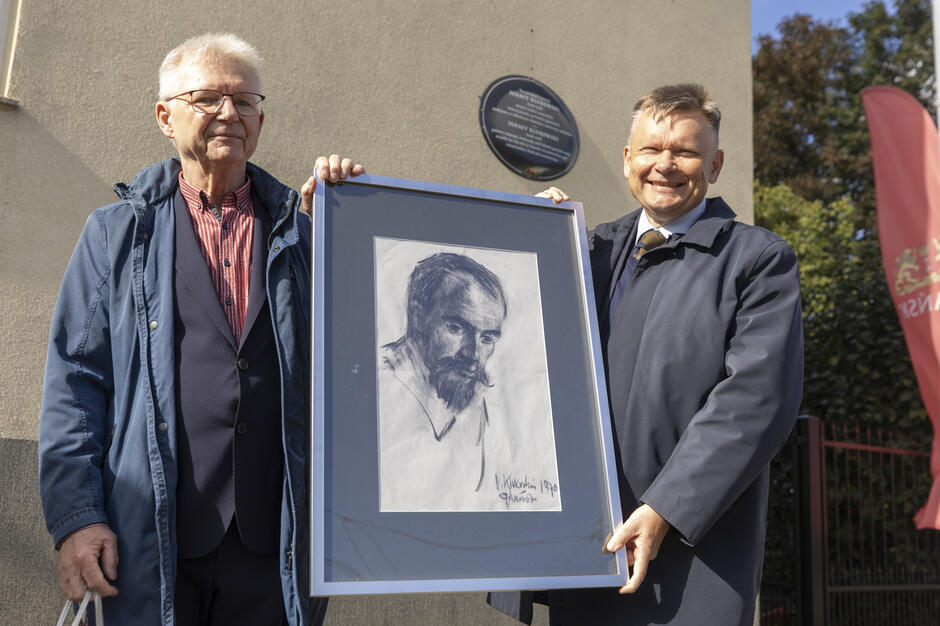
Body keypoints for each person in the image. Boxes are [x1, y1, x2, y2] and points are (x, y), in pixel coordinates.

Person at [38, 33, 362, 625]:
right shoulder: (116, 234)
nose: (228, 114)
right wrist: (77, 518)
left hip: (275, 544)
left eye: (243, 101)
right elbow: (75, 384)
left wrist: (352, 219)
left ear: (260, 118)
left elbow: (362, 357)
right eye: (208, 97)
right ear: (165, 116)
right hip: (151, 535)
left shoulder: (305, 232)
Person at [491, 83, 803, 624]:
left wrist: (664, 509)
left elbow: (756, 400)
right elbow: (507, 346)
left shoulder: (758, 260)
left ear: (715, 163)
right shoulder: (585, 248)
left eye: (684, 151)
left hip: (695, 547)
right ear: (628, 158)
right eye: (652, 149)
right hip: (583, 542)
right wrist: (524, 243)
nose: (666, 165)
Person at [378, 252, 510, 511]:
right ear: (417, 316)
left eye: (487, 338)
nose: (472, 355)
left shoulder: (479, 399)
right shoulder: (376, 390)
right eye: (457, 328)